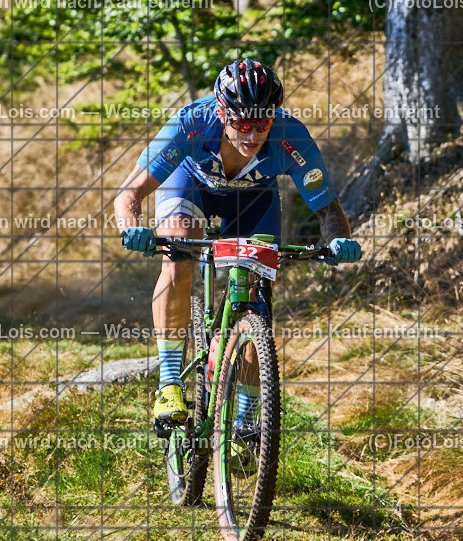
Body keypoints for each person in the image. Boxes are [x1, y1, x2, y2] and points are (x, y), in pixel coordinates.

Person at [113, 57, 362, 457]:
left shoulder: (289, 136)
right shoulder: (191, 123)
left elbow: (329, 212)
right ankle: (170, 384)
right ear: (220, 112)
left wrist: (337, 241)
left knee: (259, 292)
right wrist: (132, 228)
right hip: (189, 188)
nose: (252, 133)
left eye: (262, 123)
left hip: (253, 201)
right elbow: (128, 195)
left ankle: (247, 418)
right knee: (179, 250)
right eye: (242, 124)